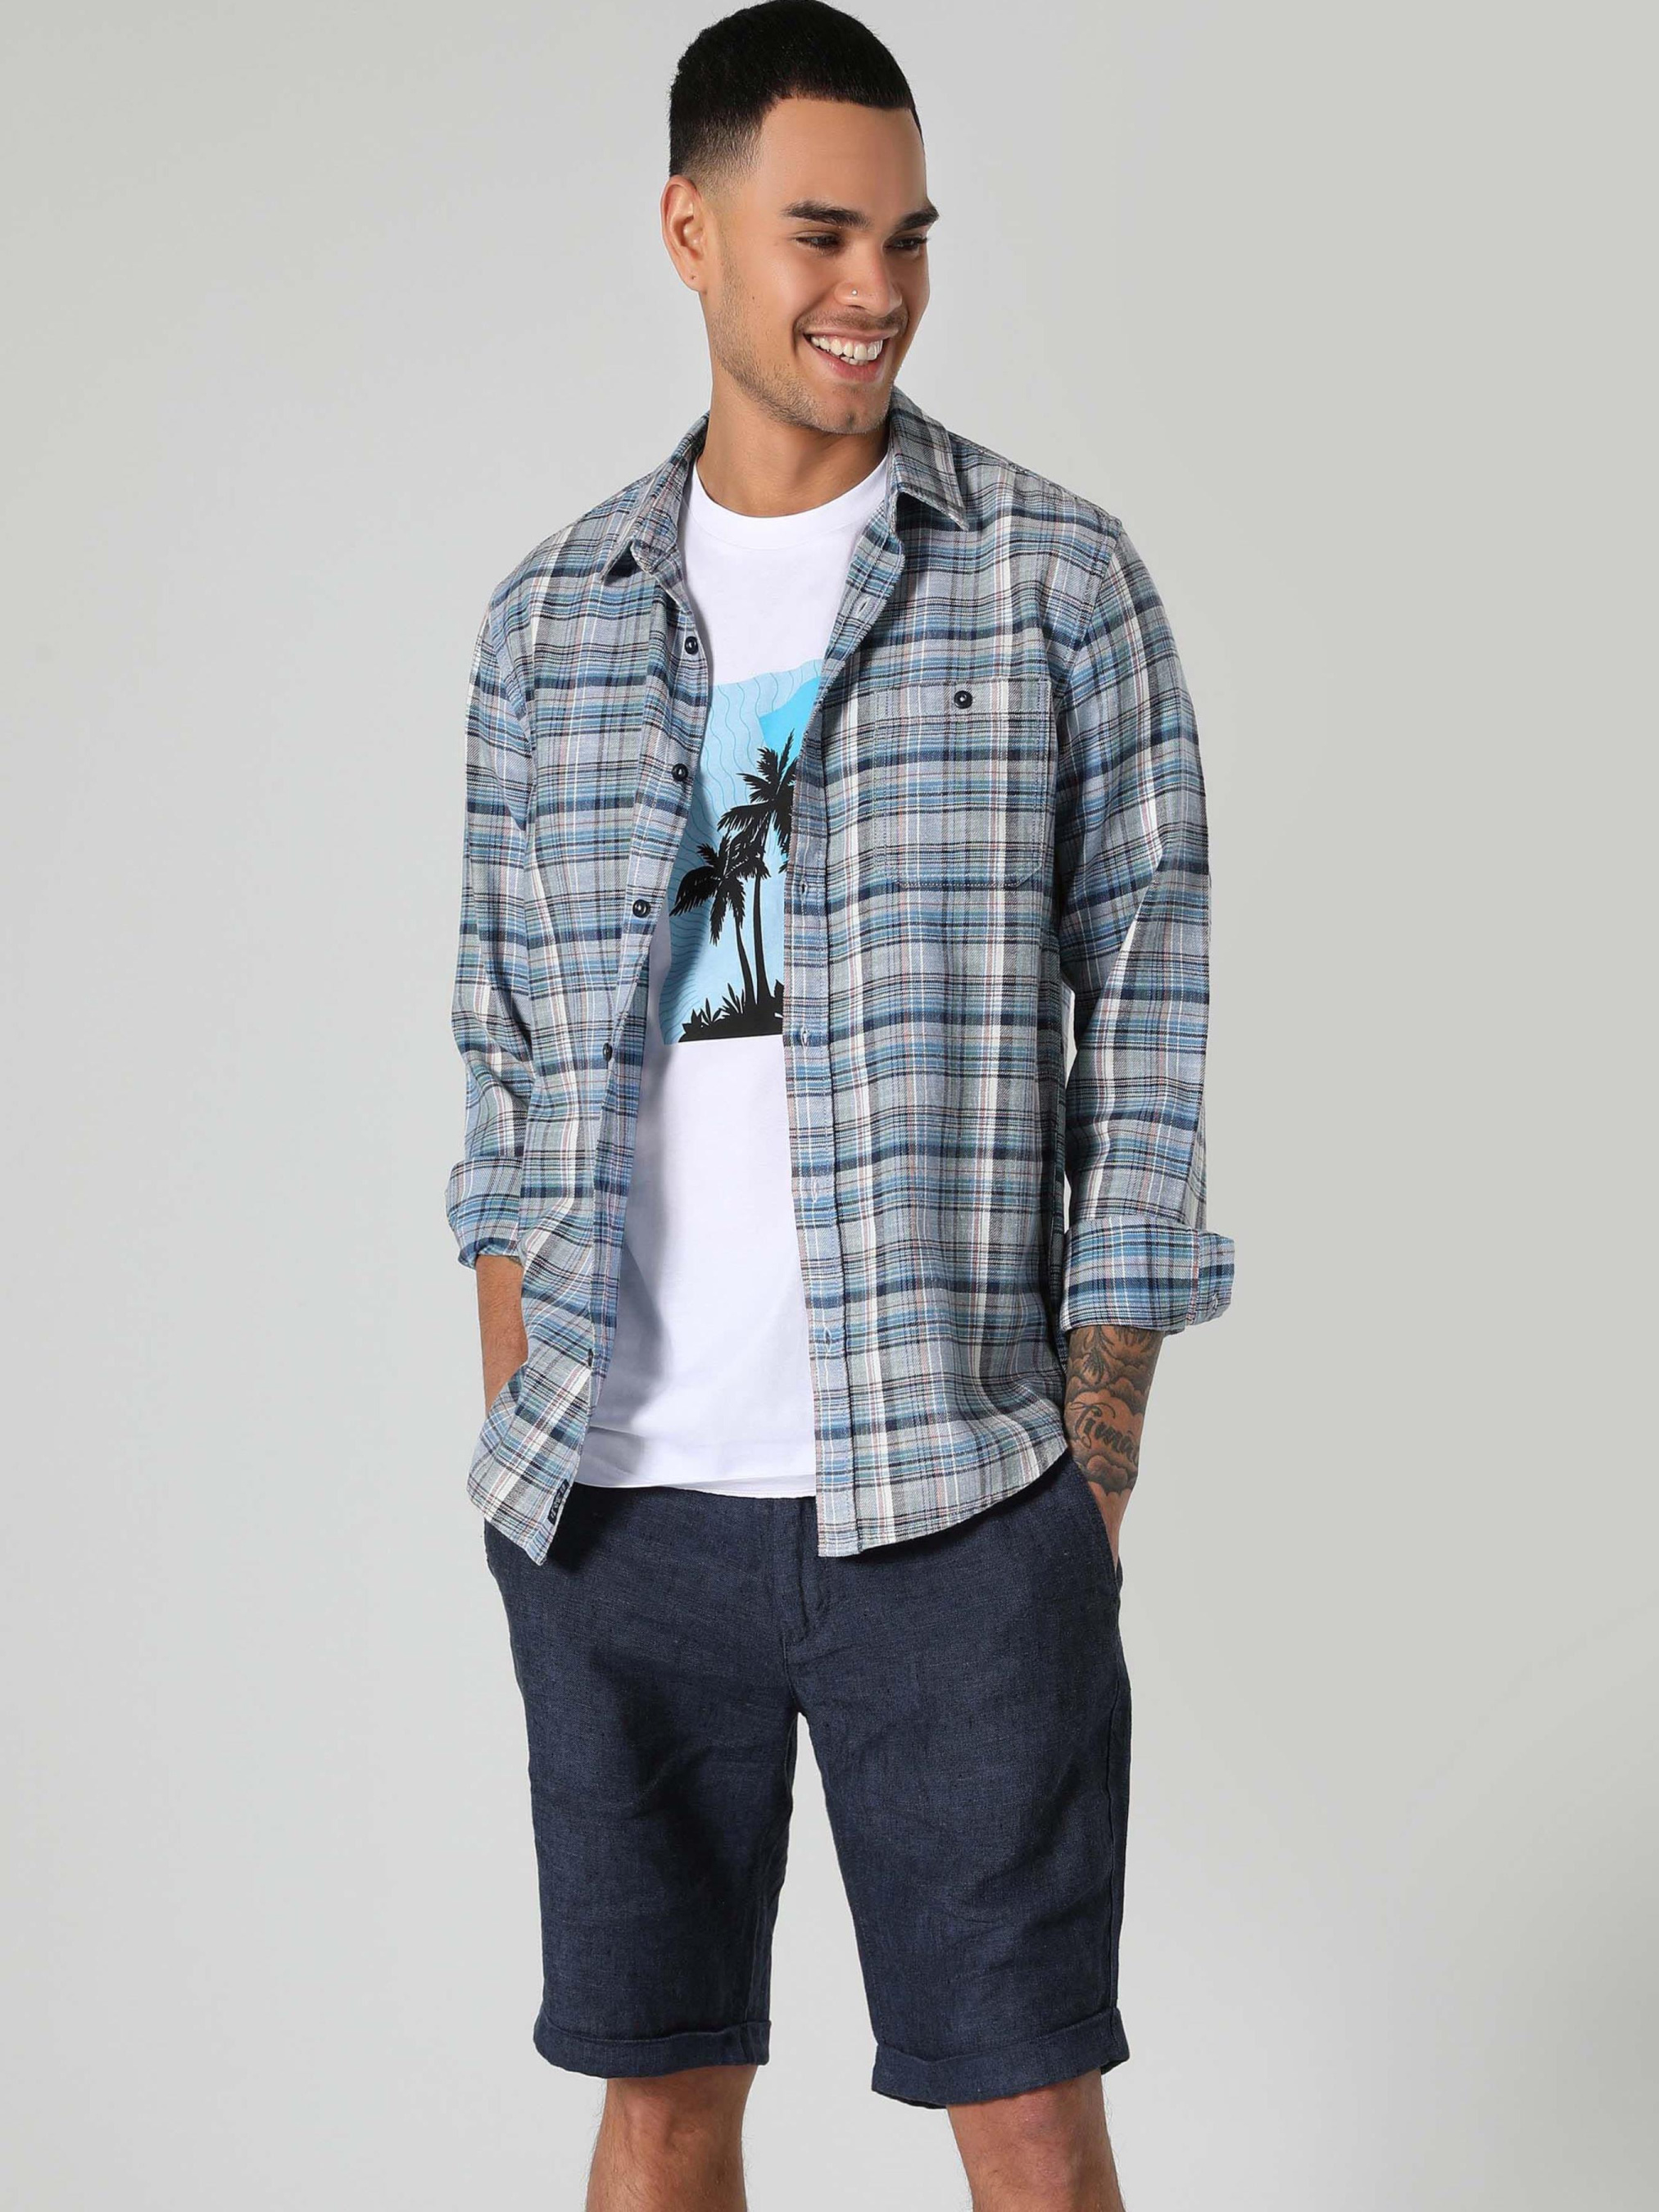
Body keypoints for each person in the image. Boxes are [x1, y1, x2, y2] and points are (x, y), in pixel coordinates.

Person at [444, 4, 1234, 2204]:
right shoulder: (550, 621)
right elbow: (499, 1051)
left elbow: (1149, 1028)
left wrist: (1084, 1466)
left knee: (1027, 2113)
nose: (873, 288)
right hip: (616, 1505)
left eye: (907, 236)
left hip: (956, 1505)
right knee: (659, 2100)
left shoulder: (1055, 581)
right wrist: (519, 1416)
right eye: (820, 234)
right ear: (689, 231)